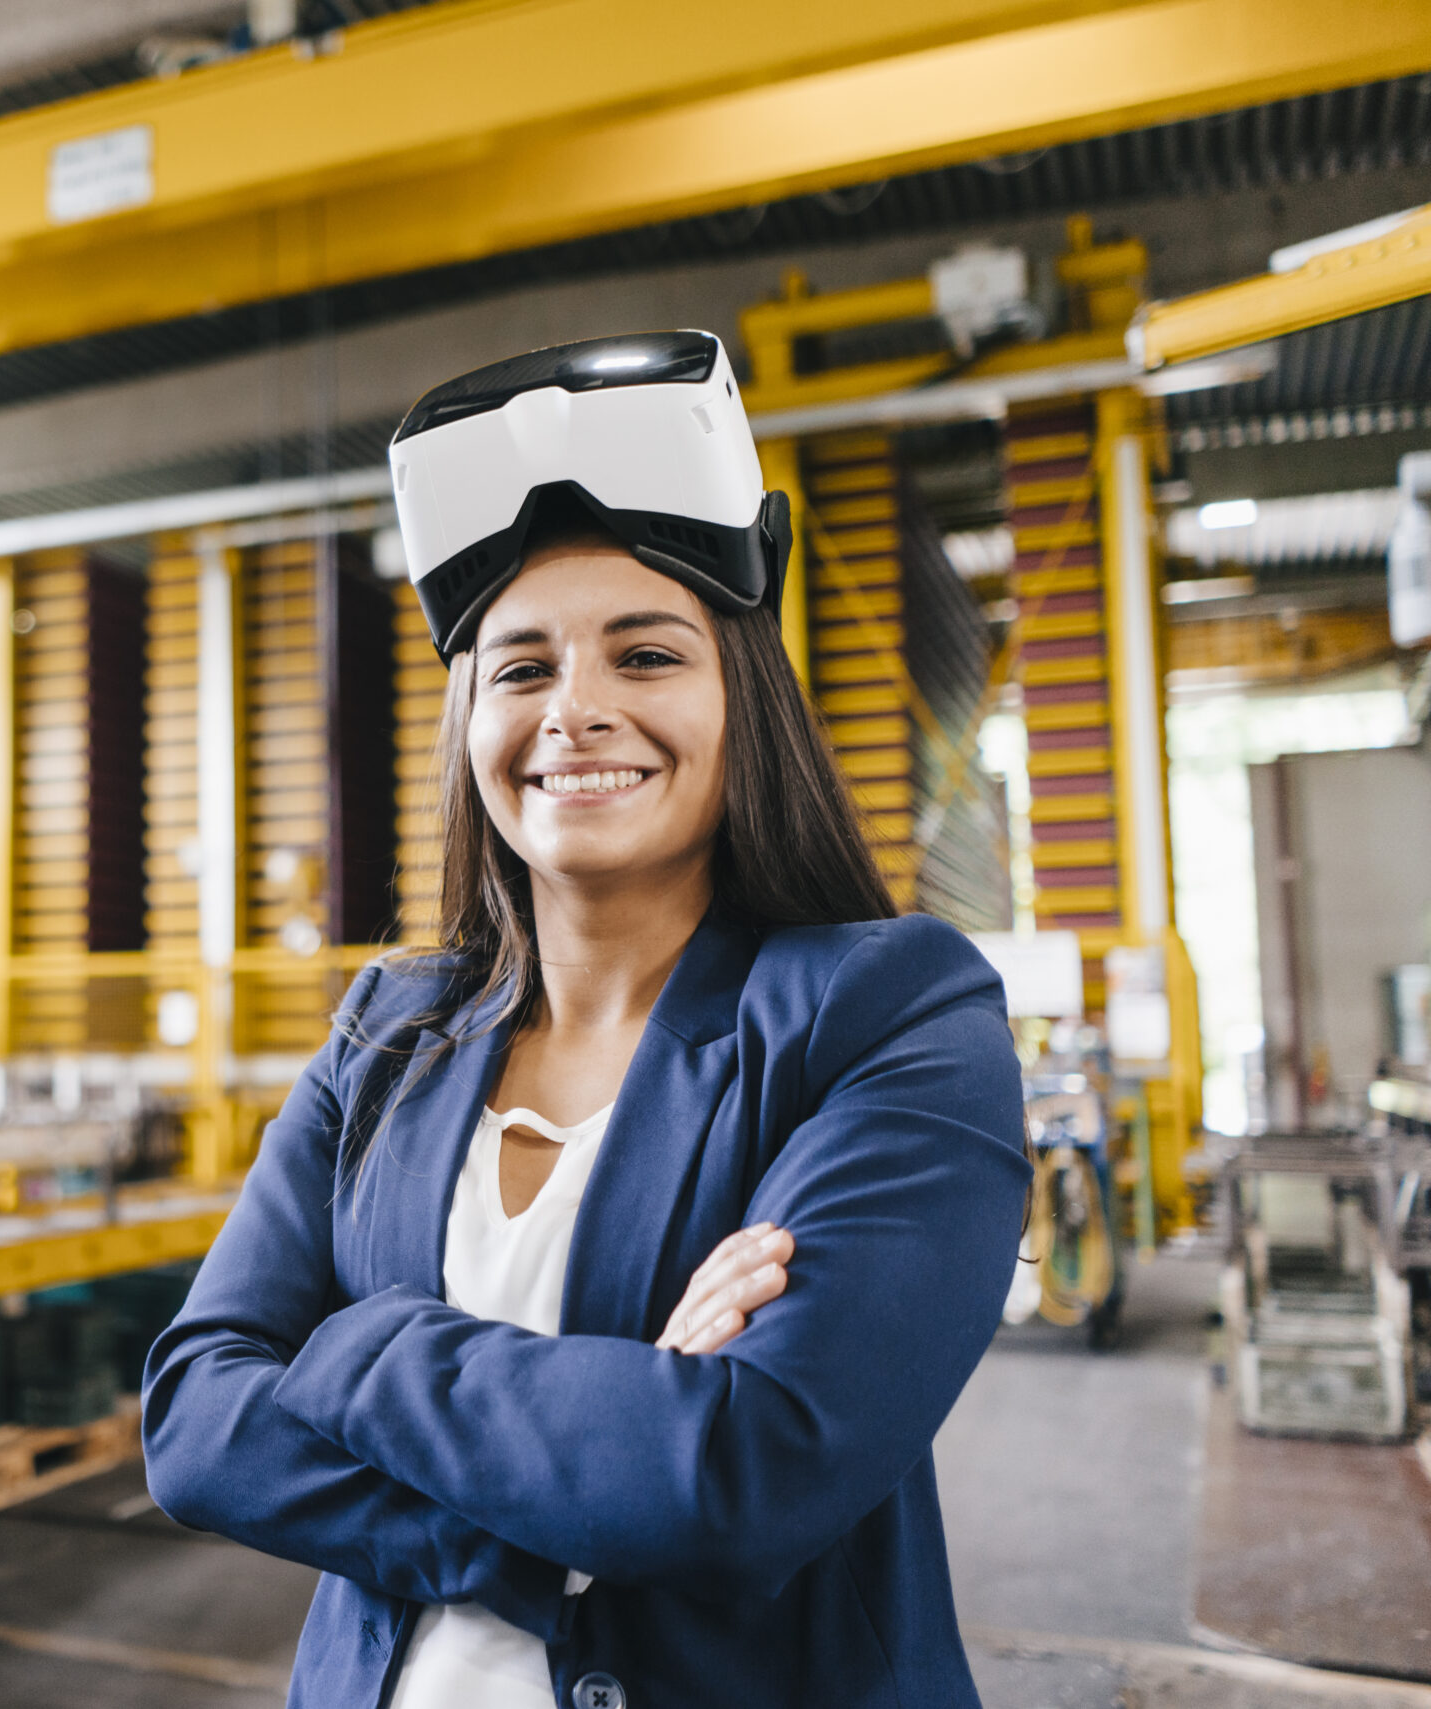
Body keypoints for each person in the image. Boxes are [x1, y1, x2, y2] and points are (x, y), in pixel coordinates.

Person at [142, 331, 1027, 1709]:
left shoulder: (886, 1014)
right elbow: (196, 1419)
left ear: (745, 701)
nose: (579, 709)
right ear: (469, 722)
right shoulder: (388, 1027)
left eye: (647, 651)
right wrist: (588, 1471)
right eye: (521, 667)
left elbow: (744, 1471)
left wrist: (360, 1343)